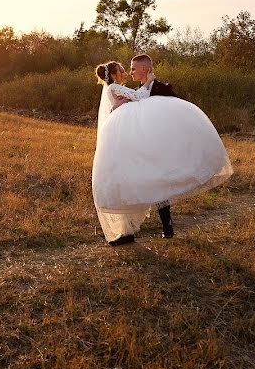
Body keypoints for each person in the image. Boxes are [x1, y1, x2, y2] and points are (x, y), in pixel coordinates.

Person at [91, 58, 233, 246]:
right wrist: (145, 85)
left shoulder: (150, 88)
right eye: (124, 70)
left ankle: (149, 228)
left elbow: (139, 99)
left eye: (131, 69)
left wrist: (142, 89)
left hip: (142, 137)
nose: (127, 73)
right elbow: (138, 96)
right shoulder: (115, 88)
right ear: (115, 75)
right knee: (132, 179)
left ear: (145, 69)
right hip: (130, 139)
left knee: (149, 177)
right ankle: (129, 231)